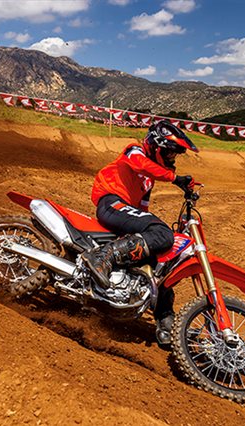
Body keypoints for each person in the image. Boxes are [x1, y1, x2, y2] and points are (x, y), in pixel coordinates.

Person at [83, 120, 198, 344]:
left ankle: (166, 321)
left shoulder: (148, 182)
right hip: (111, 202)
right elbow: (140, 164)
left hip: (125, 211)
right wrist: (175, 179)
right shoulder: (134, 150)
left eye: (175, 155)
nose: (172, 158)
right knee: (162, 233)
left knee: (161, 259)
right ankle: (103, 256)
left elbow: (142, 211)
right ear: (156, 147)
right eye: (169, 153)